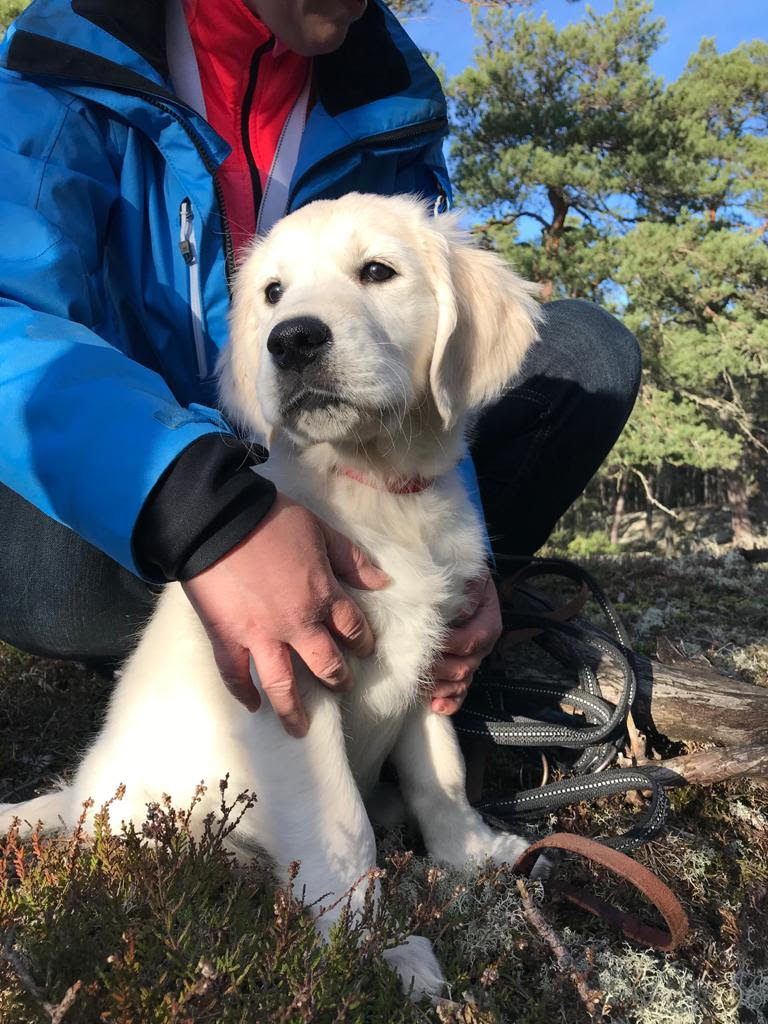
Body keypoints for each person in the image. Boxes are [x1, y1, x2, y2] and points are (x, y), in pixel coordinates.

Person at [0, 0, 640, 740]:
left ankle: (407, 642)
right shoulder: (62, 64)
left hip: (353, 480)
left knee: (589, 355)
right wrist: (206, 514)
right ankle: (237, 641)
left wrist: (462, 567)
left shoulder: (387, 99)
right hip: (143, 480)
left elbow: (432, 364)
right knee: (49, 576)